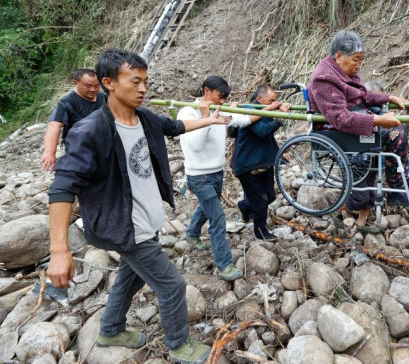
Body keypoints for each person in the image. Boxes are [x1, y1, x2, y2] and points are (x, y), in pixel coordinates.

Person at [46, 49, 228, 364]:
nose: (143, 88)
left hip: (145, 220)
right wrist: (59, 250)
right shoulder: (90, 131)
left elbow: (174, 128)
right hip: (122, 225)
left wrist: (210, 119)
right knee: (172, 285)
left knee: (132, 275)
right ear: (109, 83)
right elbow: (62, 188)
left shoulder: (143, 118)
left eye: (145, 81)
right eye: (135, 81)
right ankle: (179, 345)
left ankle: (111, 329)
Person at [308, 31, 409, 211]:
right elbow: (341, 118)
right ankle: (397, 191)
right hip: (336, 129)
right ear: (339, 56)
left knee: (398, 128)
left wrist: (389, 98)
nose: (359, 65)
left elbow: (363, 95)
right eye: (355, 60)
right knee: (393, 133)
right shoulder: (323, 77)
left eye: (361, 60)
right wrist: (378, 120)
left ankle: (401, 178)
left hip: (356, 116)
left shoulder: (345, 70)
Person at [178, 76, 282, 281]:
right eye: (220, 96)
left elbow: (245, 119)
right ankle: (224, 266)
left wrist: (271, 109)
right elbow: (196, 145)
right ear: (206, 91)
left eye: (226, 97)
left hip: (217, 173)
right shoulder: (187, 112)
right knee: (217, 218)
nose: (223, 101)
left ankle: (191, 233)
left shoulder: (221, 108)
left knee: (207, 207)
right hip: (198, 177)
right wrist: (207, 117)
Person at [234, 84, 291, 241]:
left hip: (264, 163)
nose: (274, 103)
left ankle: (245, 206)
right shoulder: (250, 111)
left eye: (276, 100)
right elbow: (262, 131)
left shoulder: (265, 111)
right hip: (249, 165)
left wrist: (280, 152)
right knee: (261, 201)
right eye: (271, 100)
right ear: (259, 99)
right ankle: (261, 233)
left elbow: (268, 137)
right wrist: (280, 118)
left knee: (271, 196)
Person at [39, 69, 106, 171]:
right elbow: (54, 126)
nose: (92, 89)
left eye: (96, 86)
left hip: (105, 146)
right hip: (80, 150)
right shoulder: (67, 102)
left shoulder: (105, 99)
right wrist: (50, 152)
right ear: (75, 82)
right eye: (87, 86)